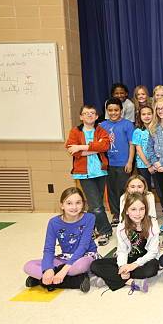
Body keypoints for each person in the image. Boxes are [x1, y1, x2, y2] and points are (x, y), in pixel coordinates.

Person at [23, 187, 96, 293]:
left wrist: (64, 270)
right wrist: (48, 269)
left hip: (85, 256)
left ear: (83, 204)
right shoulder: (54, 222)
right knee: (28, 266)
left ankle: (41, 280)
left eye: (78, 203)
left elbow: (83, 247)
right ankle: (74, 281)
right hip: (64, 258)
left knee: (79, 266)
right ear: (62, 205)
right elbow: (49, 249)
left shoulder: (89, 218)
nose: (74, 207)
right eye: (69, 203)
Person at [90, 193, 159, 293]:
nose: (138, 213)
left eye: (142, 209)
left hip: (146, 260)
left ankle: (110, 278)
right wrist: (122, 267)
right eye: (133, 209)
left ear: (146, 209)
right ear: (126, 210)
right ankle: (130, 282)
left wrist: (133, 266)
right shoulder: (122, 227)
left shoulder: (152, 224)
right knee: (95, 265)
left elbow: (153, 252)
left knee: (151, 270)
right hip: (129, 258)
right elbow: (122, 250)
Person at [65, 104, 111, 245]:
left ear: (97, 117)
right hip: (84, 174)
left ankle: (90, 229)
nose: (89, 115)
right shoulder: (75, 132)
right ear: (81, 117)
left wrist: (81, 147)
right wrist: (93, 148)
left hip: (100, 171)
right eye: (86, 113)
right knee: (96, 205)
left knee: (94, 204)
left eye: (92, 113)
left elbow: (105, 146)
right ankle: (105, 230)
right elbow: (73, 151)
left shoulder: (101, 130)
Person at [99, 97, 135, 230]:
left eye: (116, 110)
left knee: (123, 189)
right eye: (110, 110)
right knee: (111, 189)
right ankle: (115, 213)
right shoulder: (103, 125)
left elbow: (132, 144)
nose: (113, 113)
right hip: (108, 163)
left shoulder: (127, 124)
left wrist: (130, 161)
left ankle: (126, 212)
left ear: (121, 110)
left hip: (123, 163)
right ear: (107, 111)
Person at [132, 105, 155, 191]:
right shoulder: (137, 132)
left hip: (156, 164)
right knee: (146, 189)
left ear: (153, 115)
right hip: (143, 165)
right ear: (140, 116)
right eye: (144, 114)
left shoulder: (157, 129)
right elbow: (138, 150)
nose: (146, 116)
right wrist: (148, 165)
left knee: (159, 189)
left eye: (149, 114)